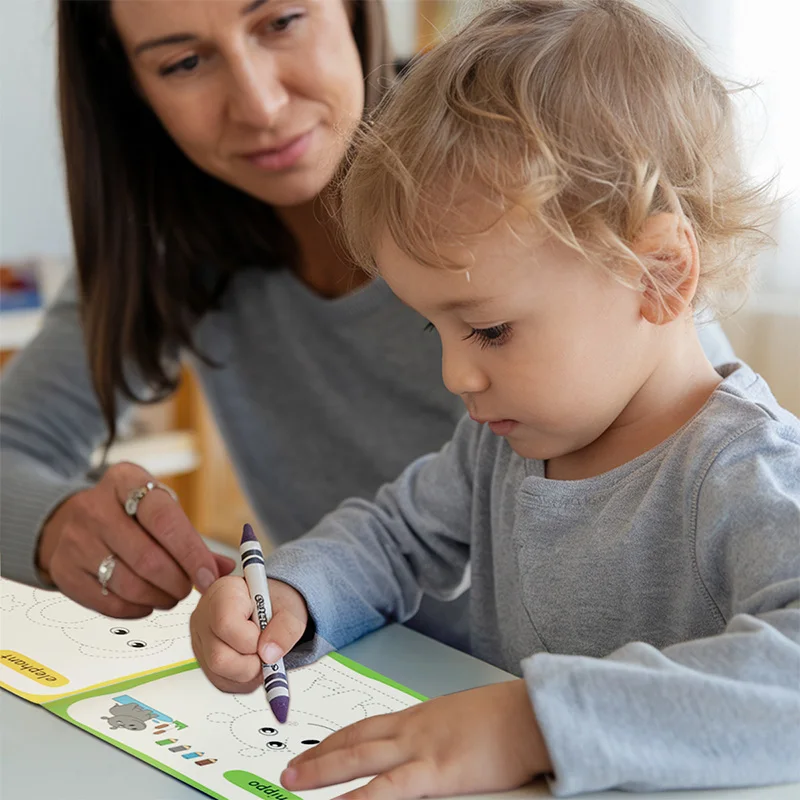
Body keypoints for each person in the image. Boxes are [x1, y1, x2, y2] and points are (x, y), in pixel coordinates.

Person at [190, 0, 800, 797]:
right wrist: (296, 593)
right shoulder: (505, 443)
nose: (455, 375)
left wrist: (532, 721)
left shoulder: (748, 473)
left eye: (488, 330)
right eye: (433, 331)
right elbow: (397, 538)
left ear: (657, 276)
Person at [0, 0, 731, 648]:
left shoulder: (534, 176)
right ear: (131, 91)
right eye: (185, 61)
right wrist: (58, 523)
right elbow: (394, 536)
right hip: (381, 695)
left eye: (281, 21)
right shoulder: (170, 248)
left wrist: (529, 721)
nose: (258, 104)